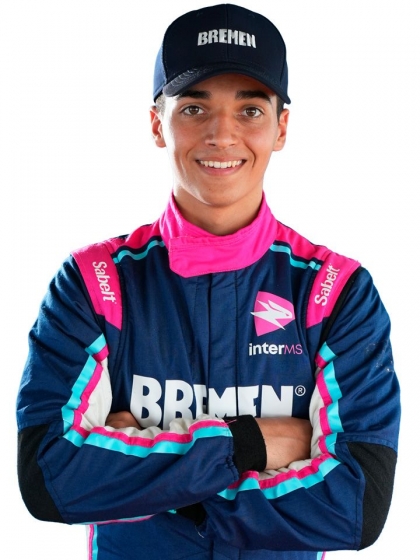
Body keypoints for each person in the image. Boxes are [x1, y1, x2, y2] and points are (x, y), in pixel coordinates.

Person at [16, 4, 400, 559]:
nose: (222, 134)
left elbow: (356, 506)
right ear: (157, 123)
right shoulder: (93, 284)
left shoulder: (337, 293)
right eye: (194, 108)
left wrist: (142, 476)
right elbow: (49, 478)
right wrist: (252, 445)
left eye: (250, 110)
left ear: (281, 128)